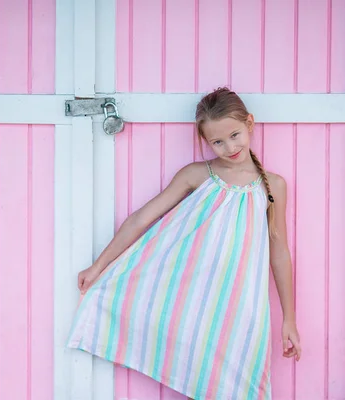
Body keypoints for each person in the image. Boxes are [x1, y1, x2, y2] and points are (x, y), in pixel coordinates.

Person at [66, 87, 301, 399]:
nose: (229, 146)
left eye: (234, 135)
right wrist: (99, 266)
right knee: (199, 374)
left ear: (250, 124)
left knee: (243, 384)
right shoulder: (196, 175)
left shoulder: (273, 186)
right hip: (195, 301)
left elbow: (279, 251)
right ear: (205, 141)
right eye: (217, 141)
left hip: (242, 306)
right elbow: (142, 218)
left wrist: (289, 319)